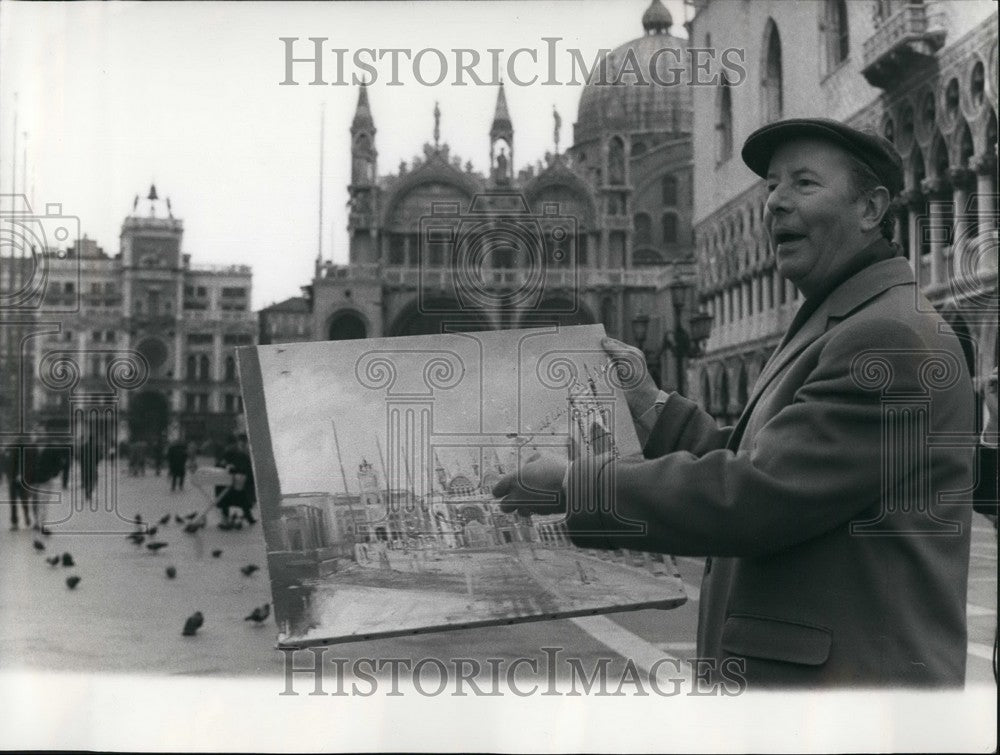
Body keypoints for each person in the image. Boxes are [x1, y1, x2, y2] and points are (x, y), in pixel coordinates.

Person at [494, 118, 976, 688]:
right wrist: (652, 407)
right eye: (772, 185)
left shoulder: (887, 336)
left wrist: (579, 486)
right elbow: (768, 464)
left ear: (871, 208)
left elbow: (760, 496)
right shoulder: (843, 320)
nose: (775, 202)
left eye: (803, 184)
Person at [217, 434, 256, 524]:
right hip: (233, 480)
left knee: (231, 500)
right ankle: (248, 518)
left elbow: (220, 465)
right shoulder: (236, 453)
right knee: (239, 500)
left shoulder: (233, 453)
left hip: (232, 481)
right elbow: (245, 467)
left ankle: (246, 518)